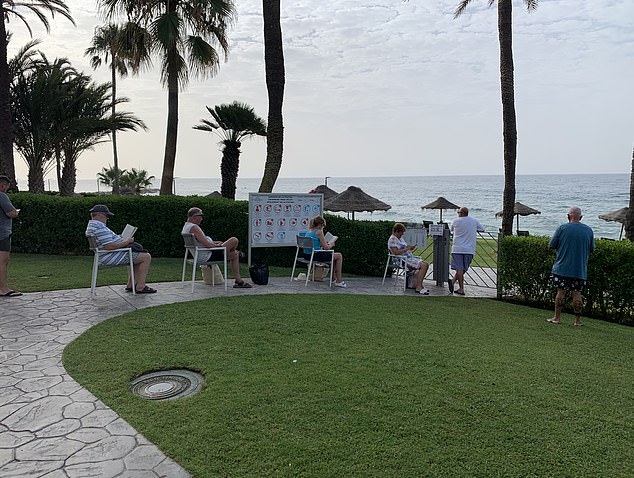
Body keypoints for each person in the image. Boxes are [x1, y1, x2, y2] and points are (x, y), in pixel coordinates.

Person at [85, 204, 156, 294]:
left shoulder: (93, 226)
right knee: (146, 257)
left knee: (137, 255)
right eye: (107, 216)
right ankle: (140, 286)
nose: (107, 218)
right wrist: (126, 242)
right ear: (100, 215)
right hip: (110, 256)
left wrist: (122, 238)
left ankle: (131, 284)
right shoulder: (99, 227)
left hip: (107, 255)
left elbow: (109, 241)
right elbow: (109, 246)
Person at [547, 206, 595, 327]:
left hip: (562, 268)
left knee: (560, 292)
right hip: (580, 270)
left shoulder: (562, 228)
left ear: (568, 216)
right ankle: (577, 321)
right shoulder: (589, 230)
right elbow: (592, 249)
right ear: (581, 217)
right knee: (577, 293)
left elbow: (551, 245)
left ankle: (557, 318)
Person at [182, 207, 252, 288]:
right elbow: (208, 245)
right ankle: (230, 253)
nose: (201, 219)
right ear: (194, 217)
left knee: (235, 254)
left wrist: (215, 243)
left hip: (203, 254)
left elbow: (201, 242)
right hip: (207, 256)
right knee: (234, 240)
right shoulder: (194, 227)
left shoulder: (186, 227)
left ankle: (239, 280)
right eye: (200, 216)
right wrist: (218, 246)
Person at [449, 207, 485, 295]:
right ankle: (455, 284)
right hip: (469, 249)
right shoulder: (474, 221)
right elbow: (482, 229)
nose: (458, 213)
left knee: (460, 269)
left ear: (461, 213)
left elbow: (451, 230)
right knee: (463, 269)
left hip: (457, 248)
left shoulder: (456, 221)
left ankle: (459, 287)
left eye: (458, 212)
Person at [304, 215, 347, 287]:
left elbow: (317, 243)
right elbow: (327, 248)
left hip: (307, 255)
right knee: (339, 255)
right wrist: (331, 244)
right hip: (315, 255)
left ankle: (333, 278)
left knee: (333, 257)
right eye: (323, 225)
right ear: (320, 224)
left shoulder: (310, 231)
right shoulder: (319, 232)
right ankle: (339, 280)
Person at [388, 223, 430, 295]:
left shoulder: (399, 239)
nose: (402, 234)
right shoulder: (392, 239)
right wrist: (406, 249)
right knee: (424, 266)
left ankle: (420, 285)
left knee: (426, 264)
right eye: (401, 232)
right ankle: (418, 287)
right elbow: (395, 252)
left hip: (409, 258)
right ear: (397, 231)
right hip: (402, 260)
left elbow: (404, 247)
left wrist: (410, 247)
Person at [0, 175, 21, 297]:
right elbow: (11, 212)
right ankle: (3, 288)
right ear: (3, 186)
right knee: (3, 261)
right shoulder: (2, 196)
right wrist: (16, 212)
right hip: (2, 233)